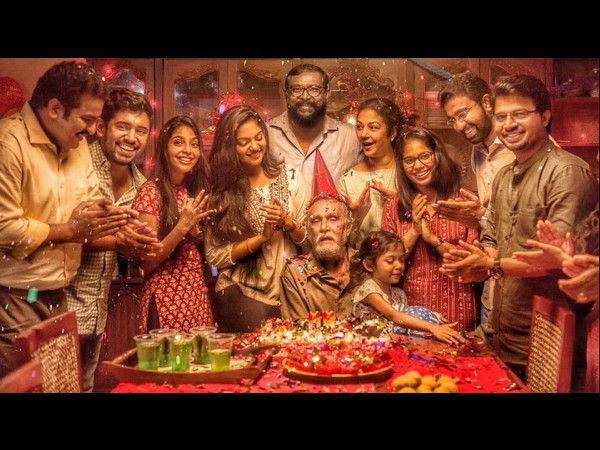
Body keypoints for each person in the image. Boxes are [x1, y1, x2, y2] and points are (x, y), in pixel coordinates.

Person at [439, 74, 598, 380]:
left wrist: (493, 265)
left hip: (550, 339)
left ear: (545, 117)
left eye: (520, 114)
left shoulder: (567, 172)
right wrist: (476, 261)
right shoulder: (503, 176)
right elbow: (492, 239)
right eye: (501, 117)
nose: (509, 124)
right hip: (503, 332)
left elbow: (559, 257)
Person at [0, 60, 132, 378]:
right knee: (24, 384)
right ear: (55, 108)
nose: (92, 130)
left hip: (60, 296)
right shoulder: (8, 144)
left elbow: (87, 205)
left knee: (61, 385)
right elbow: (3, 228)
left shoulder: (77, 146)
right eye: (87, 119)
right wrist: (69, 230)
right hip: (14, 299)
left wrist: (116, 220)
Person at [64, 88, 162, 392]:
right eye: (123, 126)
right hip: (59, 306)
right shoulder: (75, 164)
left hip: (98, 313)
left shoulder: (142, 186)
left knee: (87, 386)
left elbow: (133, 246)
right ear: (101, 127)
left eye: (141, 130)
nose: (132, 137)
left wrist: (142, 243)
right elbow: (58, 231)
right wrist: (117, 240)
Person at [205, 105, 307, 332]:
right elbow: (214, 255)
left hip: (290, 290)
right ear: (230, 148)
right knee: (255, 352)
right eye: (244, 142)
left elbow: (308, 239)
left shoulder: (291, 176)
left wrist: (288, 222)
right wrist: (260, 239)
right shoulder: (223, 191)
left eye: (259, 137)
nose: (254, 146)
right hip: (243, 292)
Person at [437, 72, 516, 327]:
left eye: (463, 114)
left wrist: (480, 217)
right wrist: (477, 218)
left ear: (487, 103)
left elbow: (529, 224)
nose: (459, 126)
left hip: (522, 291)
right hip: (493, 289)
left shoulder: (520, 148)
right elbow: (492, 222)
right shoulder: (477, 152)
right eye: (452, 120)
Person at [381, 127, 479, 331]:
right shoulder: (393, 206)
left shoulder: (462, 201)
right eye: (409, 160)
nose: (418, 166)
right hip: (412, 313)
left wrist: (434, 240)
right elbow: (385, 265)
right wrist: (415, 231)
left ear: (437, 155)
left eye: (424, 156)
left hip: (458, 307)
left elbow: (473, 264)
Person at [133, 116, 214, 333]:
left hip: (195, 294)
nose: (187, 150)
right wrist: (181, 227)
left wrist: (195, 233)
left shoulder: (193, 189)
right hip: (165, 298)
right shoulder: (151, 192)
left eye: (194, 144)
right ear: (164, 148)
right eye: (178, 142)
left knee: (199, 354)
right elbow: (146, 262)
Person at [350, 231, 465, 344]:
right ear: (369, 265)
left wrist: (430, 315)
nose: (399, 266)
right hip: (369, 347)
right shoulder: (369, 290)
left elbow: (406, 318)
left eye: (401, 260)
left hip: (394, 346)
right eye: (390, 261)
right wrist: (432, 328)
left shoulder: (399, 294)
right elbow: (394, 316)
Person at [280, 149, 356, 320]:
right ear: (309, 230)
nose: (324, 227)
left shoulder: (366, 266)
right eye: (315, 221)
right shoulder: (294, 273)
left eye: (333, 219)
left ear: (348, 227)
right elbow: (297, 332)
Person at [268, 63, 362, 187]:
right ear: (286, 94)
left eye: (314, 89)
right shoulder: (266, 135)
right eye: (296, 89)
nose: (305, 96)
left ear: (327, 94)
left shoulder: (351, 137)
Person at [338, 98, 404, 247]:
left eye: (373, 127)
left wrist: (400, 204)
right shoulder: (349, 180)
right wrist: (357, 218)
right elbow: (342, 245)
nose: (363, 134)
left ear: (392, 132)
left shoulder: (409, 174)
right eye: (359, 127)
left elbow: (427, 224)